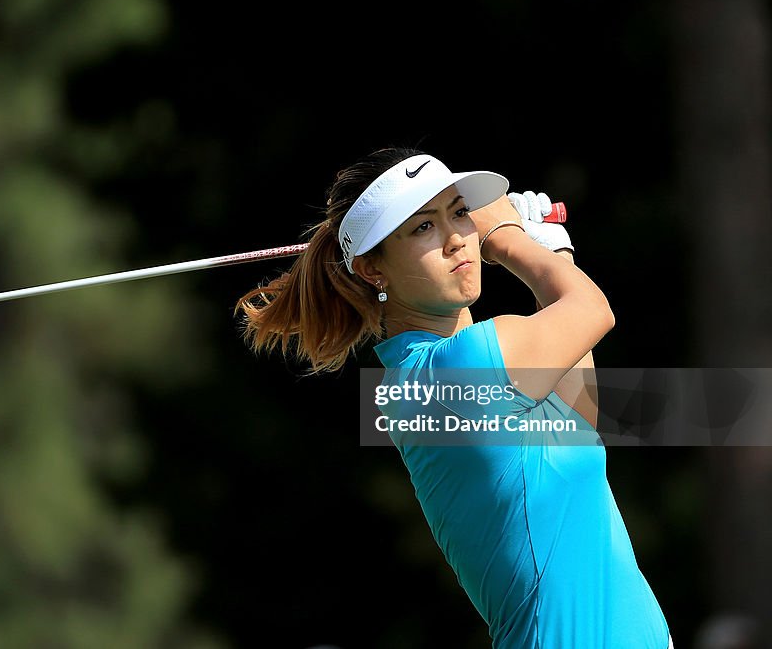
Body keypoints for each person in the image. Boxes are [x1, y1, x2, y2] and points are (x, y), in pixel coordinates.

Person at [234, 147, 673, 648]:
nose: (457, 240)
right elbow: (593, 310)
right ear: (372, 268)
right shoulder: (451, 372)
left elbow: (579, 412)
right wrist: (507, 238)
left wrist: (552, 249)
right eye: (423, 227)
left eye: (459, 213)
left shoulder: (444, 373)